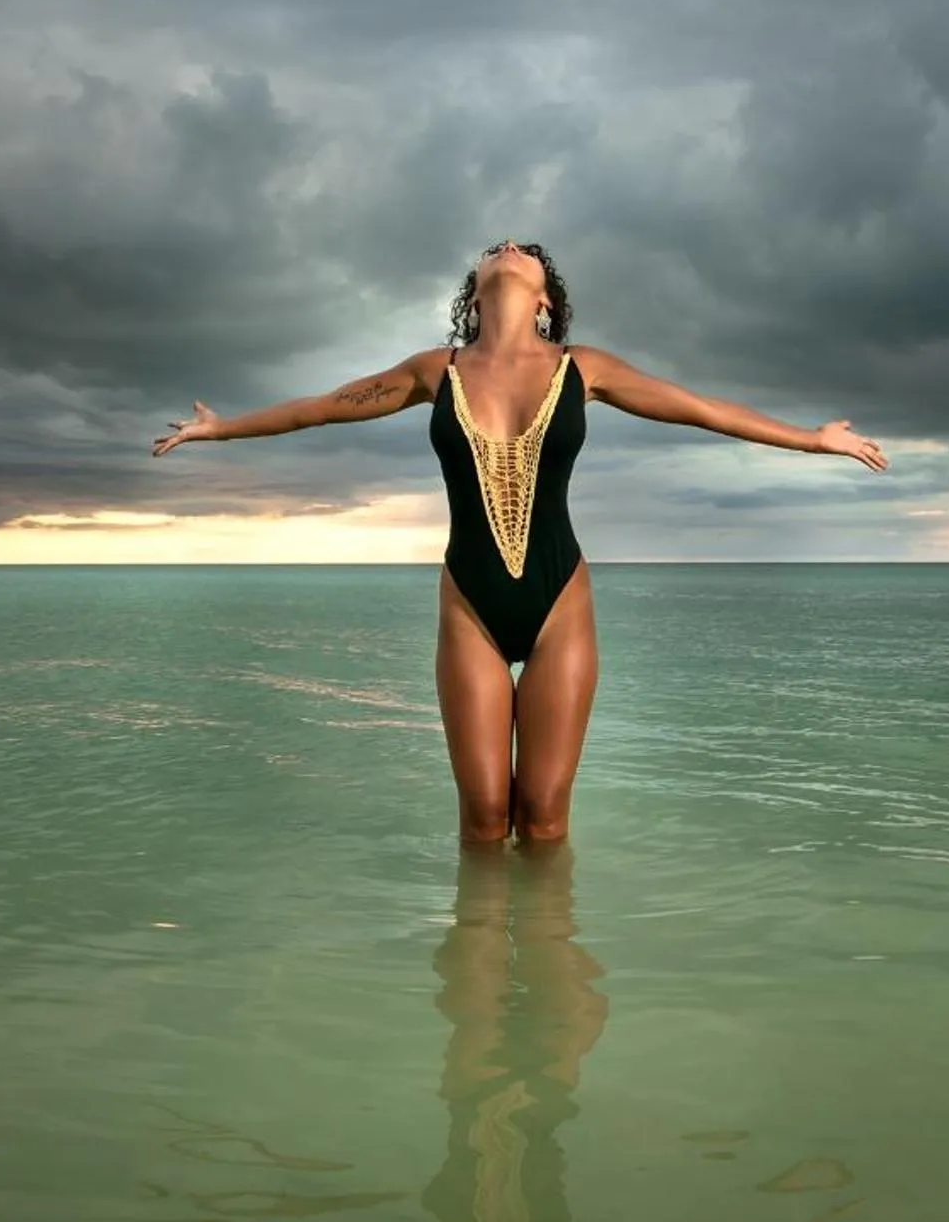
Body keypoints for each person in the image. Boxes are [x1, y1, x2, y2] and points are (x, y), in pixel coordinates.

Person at [152, 240, 886, 846]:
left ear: (545, 300)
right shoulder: (431, 372)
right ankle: (473, 1000)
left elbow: (701, 408)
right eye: (495, 251)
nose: (508, 249)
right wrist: (221, 428)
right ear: (474, 296)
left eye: (526, 253)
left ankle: (548, 984)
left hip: (559, 603)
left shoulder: (583, 368)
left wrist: (812, 440)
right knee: (481, 822)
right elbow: (317, 408)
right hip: (468, 605)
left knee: (540, 821)